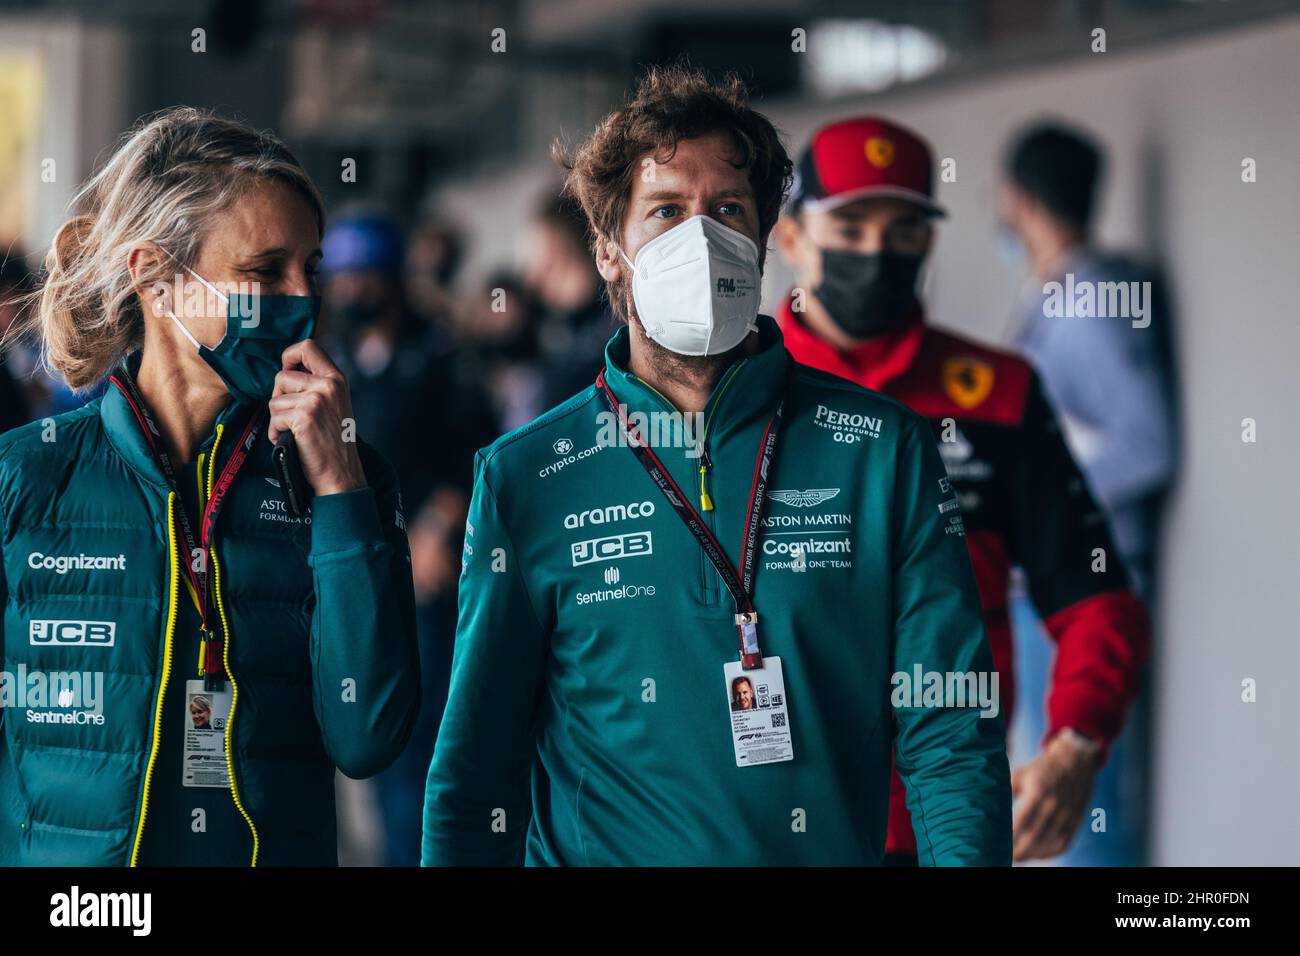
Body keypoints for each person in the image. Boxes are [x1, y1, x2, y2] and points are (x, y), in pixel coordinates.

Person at [423, 66, 1010, 867]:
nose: (699, 239)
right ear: (607, 251)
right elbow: (476, 766)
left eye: (727, 209)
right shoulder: (529, 477)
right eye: (665, 211)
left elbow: (949, 729)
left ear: (764, 237)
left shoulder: (880, 449)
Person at [0, 108, 419, 866]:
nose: (302, 298)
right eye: (265, 271)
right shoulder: (27, 477)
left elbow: (370, 737)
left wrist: (341, 494)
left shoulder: (348, 479)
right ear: (156, 280)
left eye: (311, 269)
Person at [773, 116, 1152, 863]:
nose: (875, 251)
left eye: (903, 228)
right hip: (763, 826)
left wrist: (1076, 741)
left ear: (929, 241)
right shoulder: (731, 395)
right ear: (791, 239)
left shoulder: (998, 396)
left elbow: (1096, 596)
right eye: (849, 224)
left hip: (948, 828)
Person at [999, 121, 1177, 865]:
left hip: (1081, 585)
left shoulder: (1088, 299)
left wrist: (1042, 502)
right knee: (1056, 800)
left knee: (1075, 803)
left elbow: (1147, 442)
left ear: (1018, 201)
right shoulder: (1068, 293)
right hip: (1048, 584)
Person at [318, 211, 499, 866]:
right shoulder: (337, 362)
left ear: (393, 281)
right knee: (375, 740)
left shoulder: (441, 357)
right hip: (360, 573)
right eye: (339, 280)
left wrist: (439, 525)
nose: (349, 292)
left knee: (427, 737)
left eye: (363, 278)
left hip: (427, 576)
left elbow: (481, 454)